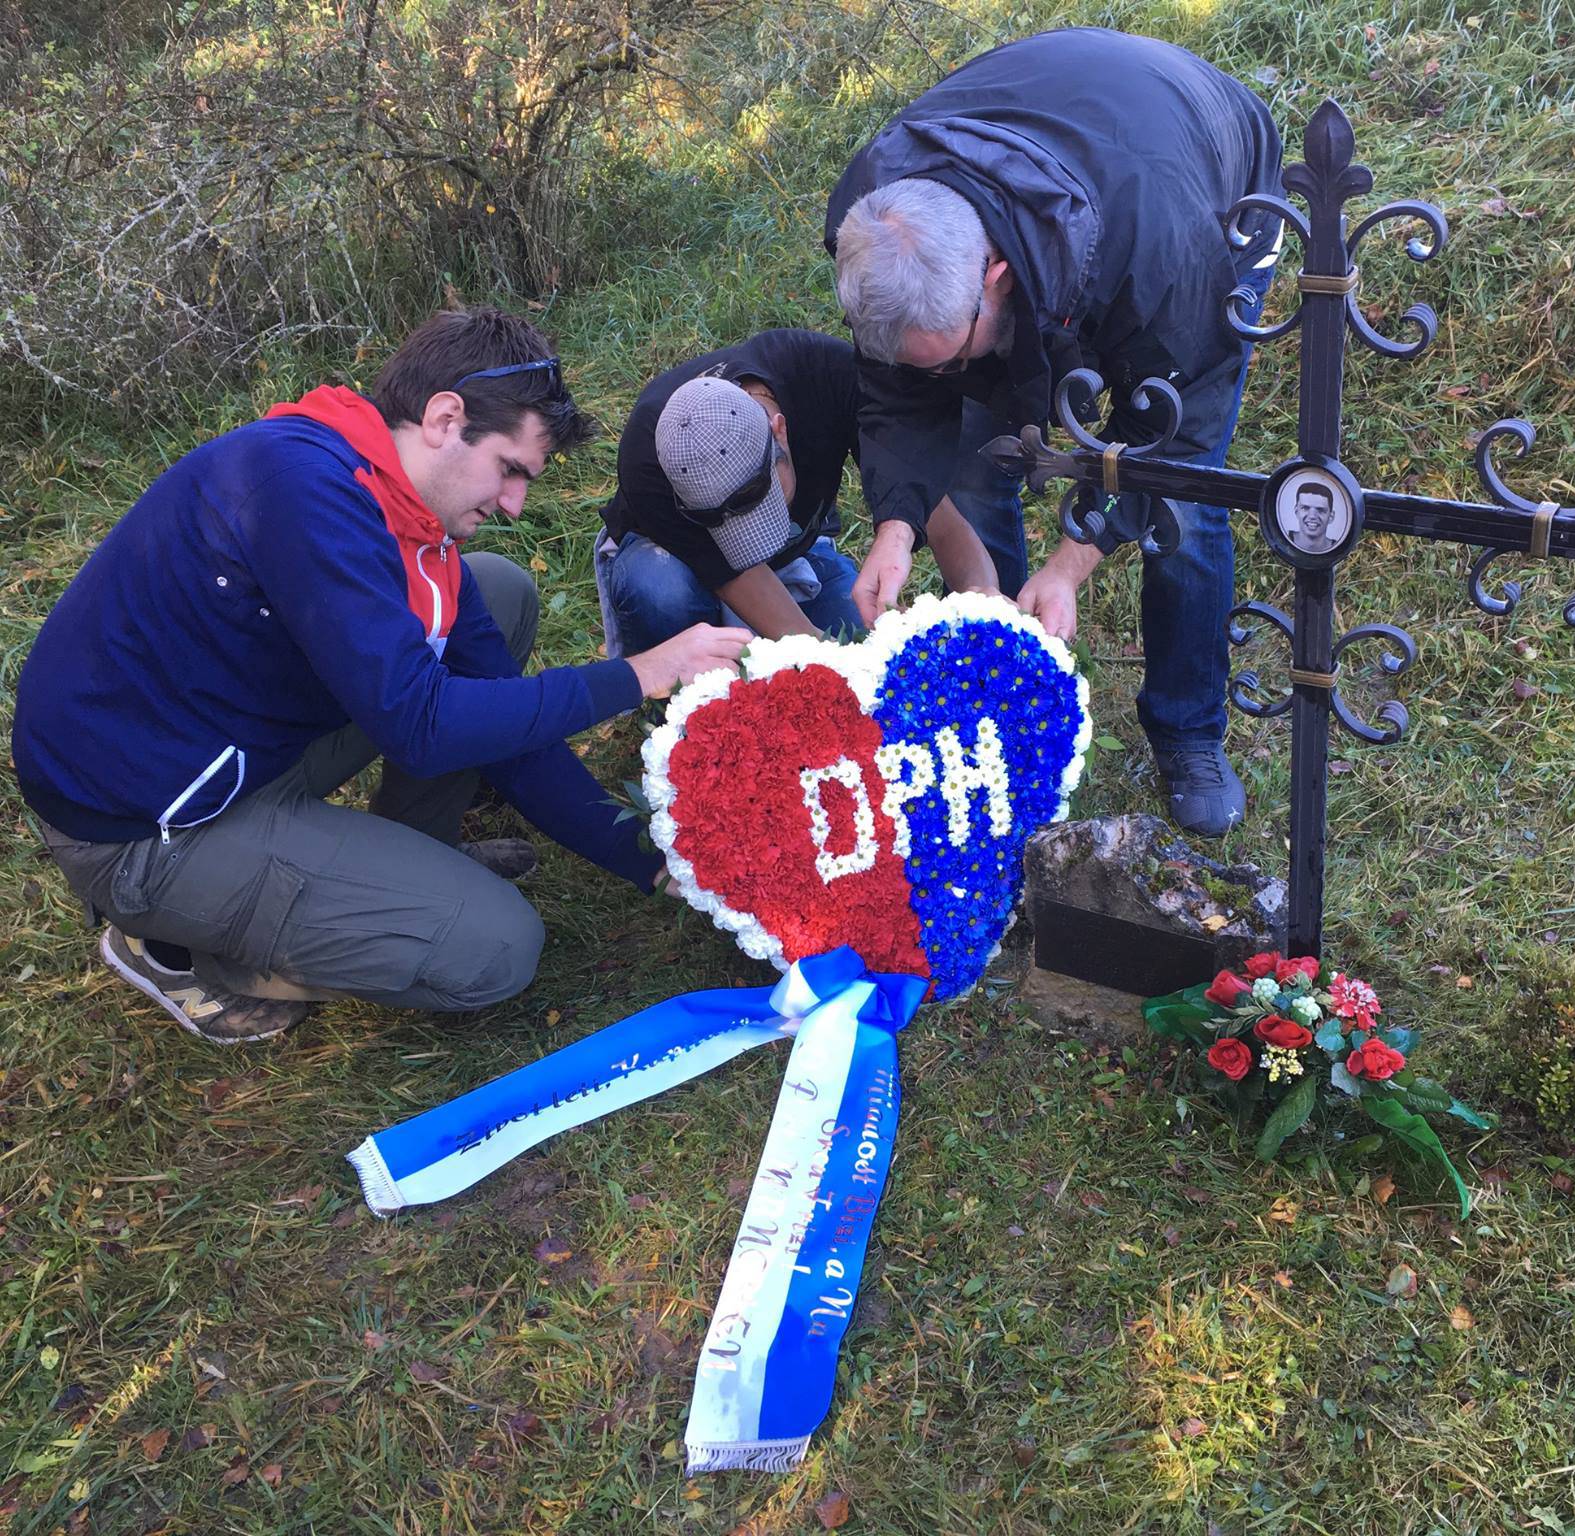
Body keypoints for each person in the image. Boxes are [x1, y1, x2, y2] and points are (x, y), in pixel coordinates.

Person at [13, 307, 749, 1044]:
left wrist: (654, 864)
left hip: (233, 742)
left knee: (498, 591)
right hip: (148, 825)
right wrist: (640, 672)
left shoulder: (401, 509)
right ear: (443, 417)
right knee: (494, 949)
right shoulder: (302, 492)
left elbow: (496, 721)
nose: (515, 504)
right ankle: (186, 953)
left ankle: (407, 858)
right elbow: (425, 728)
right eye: (510, 469)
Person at [826, 27, 1283, 836]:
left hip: (1203, 169)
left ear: (993, 276)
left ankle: (1188, 730)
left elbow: (1174, 437)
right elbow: (898, 391)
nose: (936, 377)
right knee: (971, 458)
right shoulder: (876, 220)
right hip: (1069, 149)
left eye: (949, 356)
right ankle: (1006, 676)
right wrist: (898, 525)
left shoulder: (1168, 250)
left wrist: (1074, 565)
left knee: (1184, 511)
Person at [596, 329, 997, 653]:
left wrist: (986, 603)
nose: (745, 526)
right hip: (671, 557)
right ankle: (669, 700)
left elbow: (931, 508)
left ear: (780, 430)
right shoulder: (648, 452)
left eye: (762, 505)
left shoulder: (824, 374)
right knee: (661, 591)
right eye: (723, 518)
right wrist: (820, 657)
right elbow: (740, 582)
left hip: (793, 557)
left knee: (861, 641)